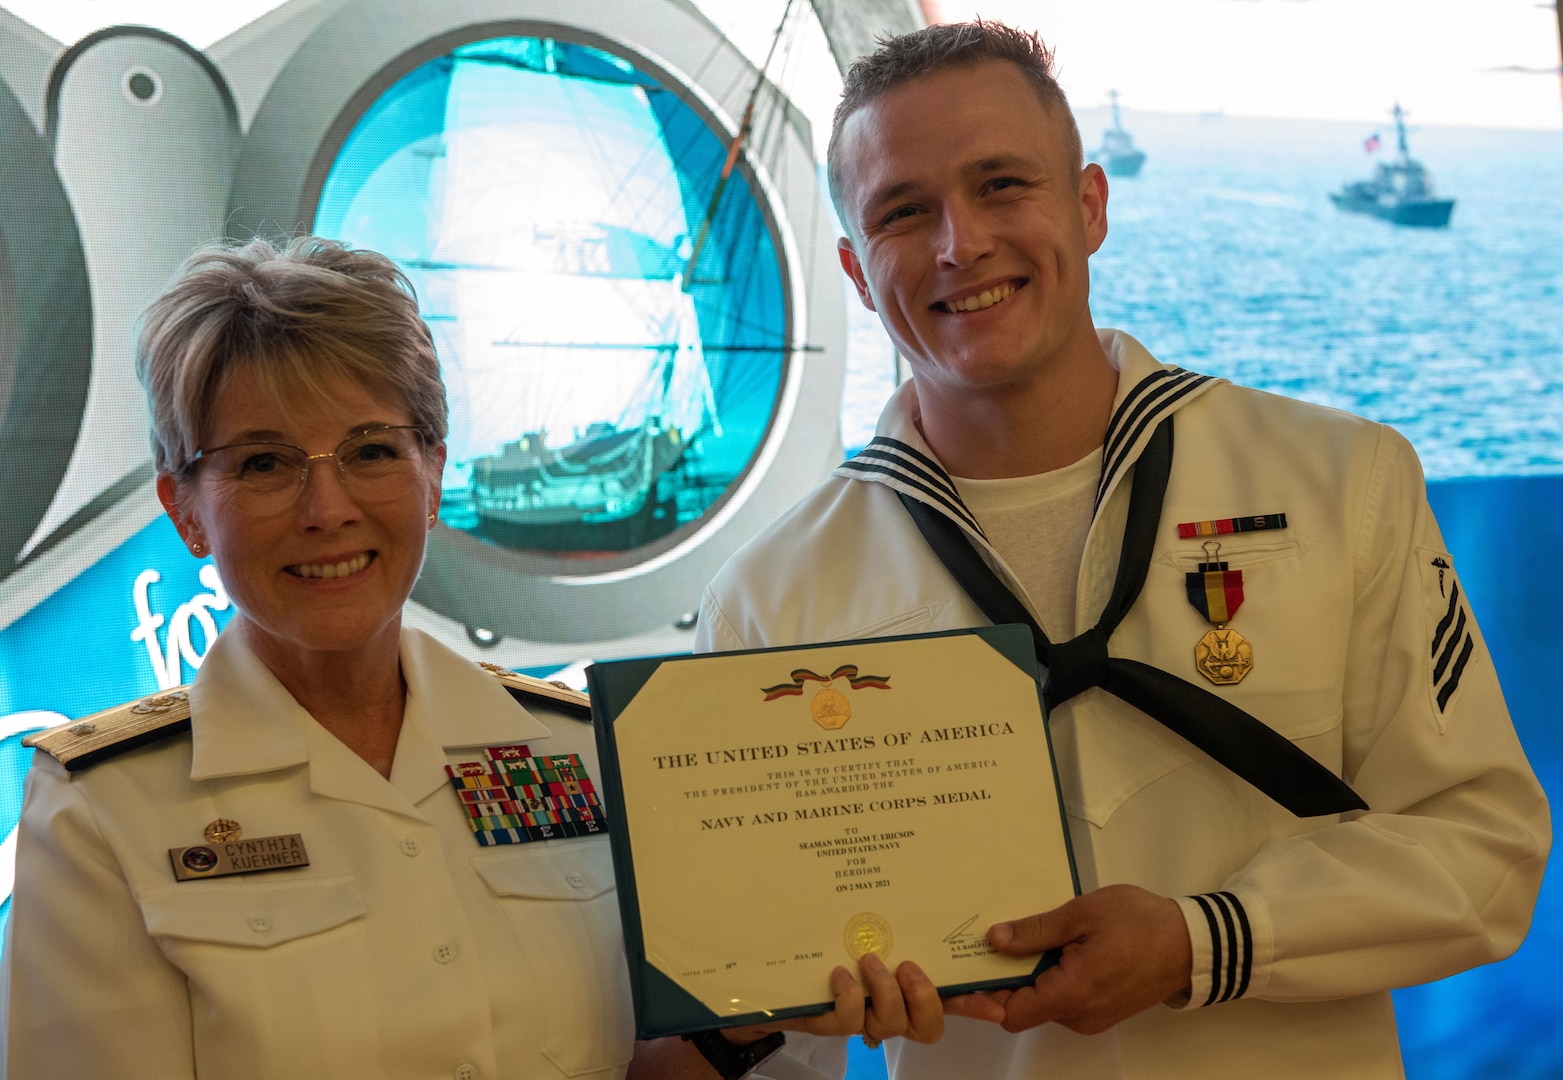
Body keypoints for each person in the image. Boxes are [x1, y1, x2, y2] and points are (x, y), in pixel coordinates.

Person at [695, 20, 1550, 1079]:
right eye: (904, 213)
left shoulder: (1342, 485)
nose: (961, 243)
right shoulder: (773, 601)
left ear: (1090, 207)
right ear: (856, 273)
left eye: (1003, 184)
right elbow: (769, 1021)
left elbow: (1485, 848)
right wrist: (753, 1010)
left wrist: (1203, 942)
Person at [0, 236, 936, 1080]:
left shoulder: (576, 754)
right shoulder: (104, 810)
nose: (327, 509)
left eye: (370, 450)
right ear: (184, 508)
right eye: (264, 463)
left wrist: (750, 1019)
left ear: (434, 471)